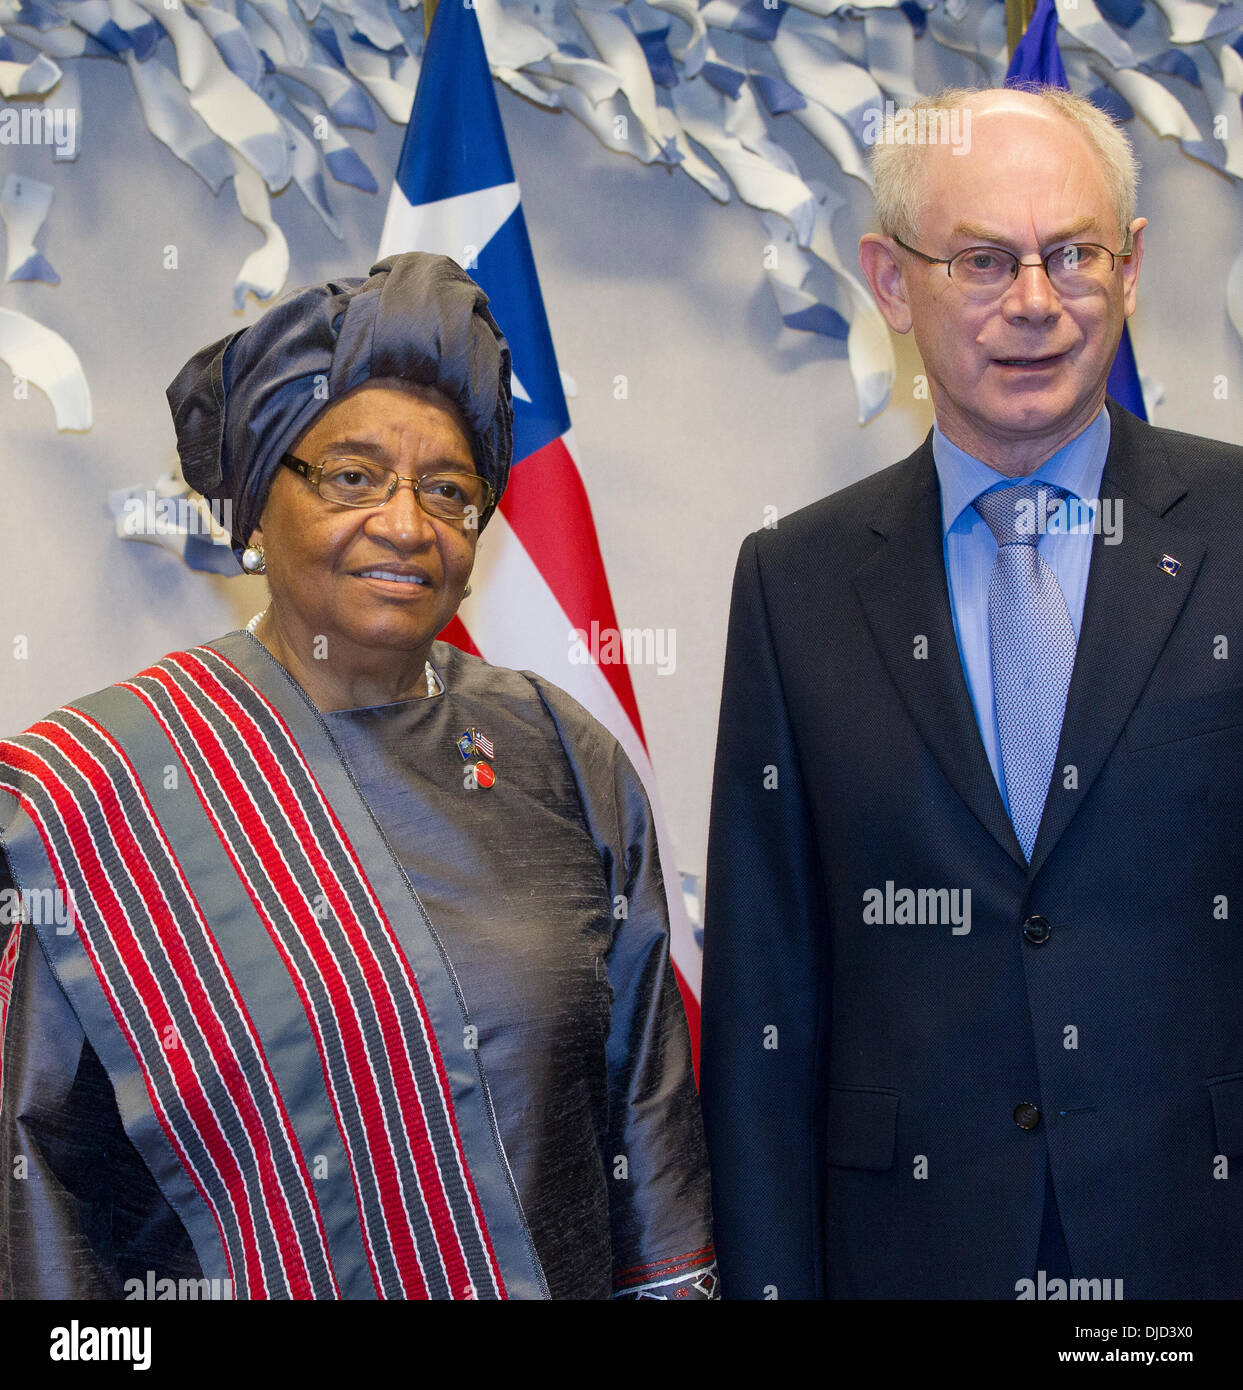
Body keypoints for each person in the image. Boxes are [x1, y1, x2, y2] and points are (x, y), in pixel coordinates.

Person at [0, 253, 716, 1301]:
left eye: (449, 490)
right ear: (256, 497)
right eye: (352, 477)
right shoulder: (86, 797)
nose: (406, 524)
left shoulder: (561, 757)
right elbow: (39, 1210)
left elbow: (647, 1150)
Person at [700, 85, 1243, 1299]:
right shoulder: (795, 582)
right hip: (911, 1252)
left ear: (1134, 266)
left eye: (1072, 256)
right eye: (985, 261)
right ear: (891, 284)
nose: (1036, 304)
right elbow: (764, 999)